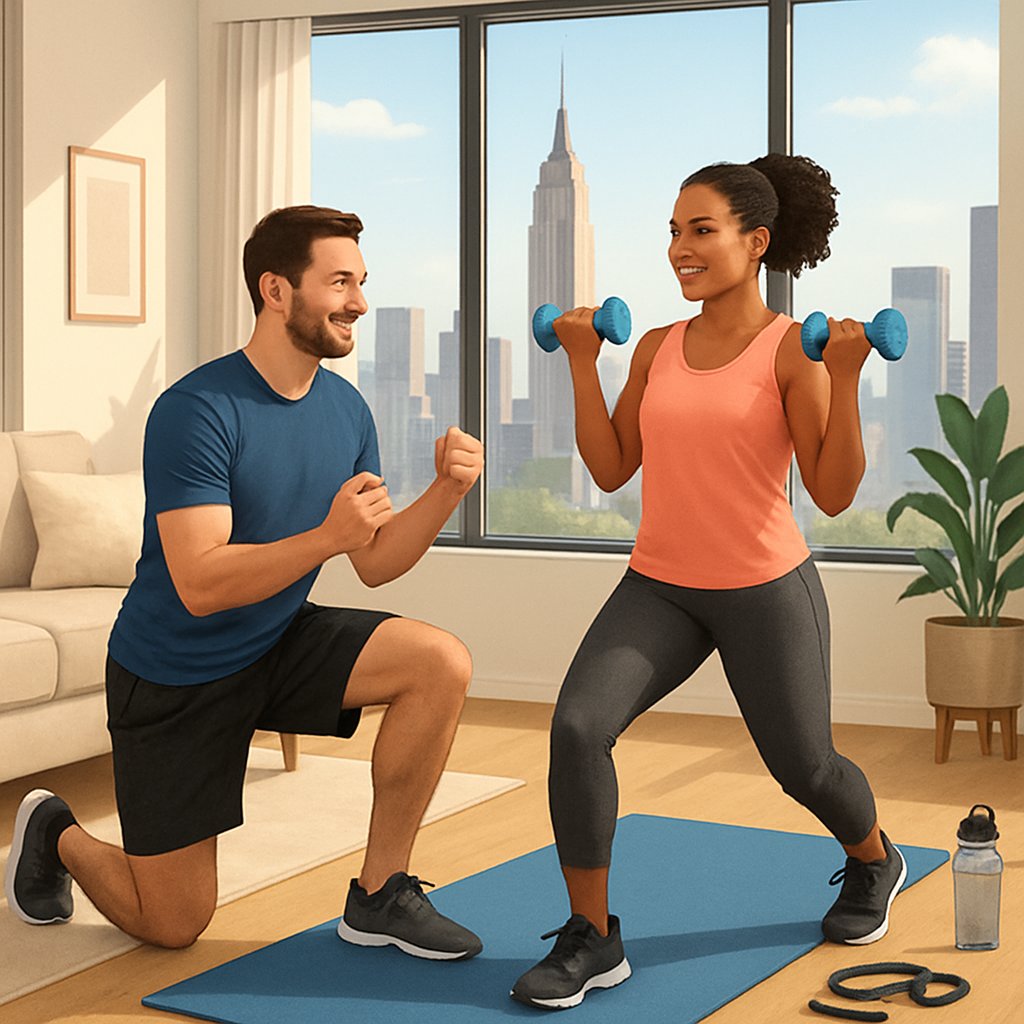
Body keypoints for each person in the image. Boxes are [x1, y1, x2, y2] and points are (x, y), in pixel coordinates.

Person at [4, 205, 486, 961]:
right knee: (172, 924)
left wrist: (446, 493)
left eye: (361, 282)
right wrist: (325, 537)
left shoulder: (346, 409)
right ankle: (56, 832)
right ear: (276, 290)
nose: (359, 302)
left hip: (276, 639)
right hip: (175, 673)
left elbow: (374, 560)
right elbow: (200, 583)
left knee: (439, 662)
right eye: (340, 282)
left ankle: (380, 894)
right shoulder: (197, 410)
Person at [510, 155, 907, 1010]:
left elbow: (833, 493)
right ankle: (592, 936)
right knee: (577, 728)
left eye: (701, 230)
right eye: (673, 232)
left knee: (805, 768)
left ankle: (875, 857)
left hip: (763, 585)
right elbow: (612, 468)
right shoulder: (656, 347)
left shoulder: (791, 350)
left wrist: (845, 373)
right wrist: (580, 360)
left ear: (755, 242)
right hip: (660, 585)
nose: (680, 249)